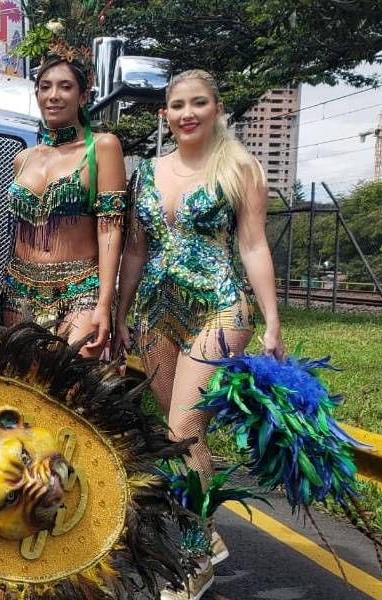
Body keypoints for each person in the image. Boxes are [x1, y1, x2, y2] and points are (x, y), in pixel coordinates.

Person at [114, 69, 285, 600]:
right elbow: (135, 251)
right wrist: (120, 313)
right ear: (165, 114)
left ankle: (194, 558)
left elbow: (254, 246)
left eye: (198, 104)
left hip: (218, 308)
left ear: (216, 109)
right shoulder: (145, 174)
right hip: (154, 313)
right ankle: (205, 528)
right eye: (178, 105)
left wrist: (272, 318)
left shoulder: (240, 169)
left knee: (186, 428)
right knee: (175, 437)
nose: (187, 114)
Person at [3, 49, 125, 358]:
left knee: (74, 387)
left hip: (80, 290)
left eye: (65, 86)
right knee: (24, 390)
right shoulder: (24, 158)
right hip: (19, 291)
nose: (53, 95)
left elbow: (110, 229)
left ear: (83, 95)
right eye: (45, 87)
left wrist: (104, 303)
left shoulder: (103, 147)